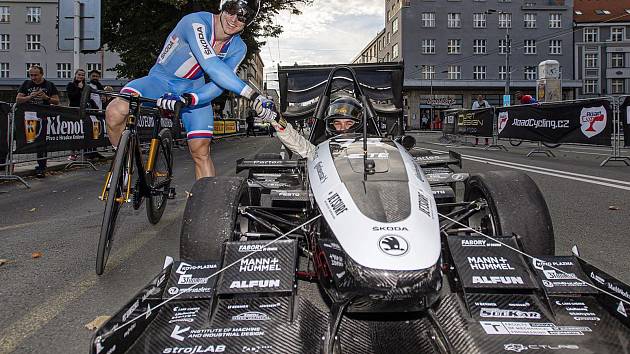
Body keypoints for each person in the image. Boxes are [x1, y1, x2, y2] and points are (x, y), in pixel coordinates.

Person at [105, 0, 273, 180]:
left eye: (242, 17)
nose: (234, 19)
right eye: (231, 10)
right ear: (222, 7)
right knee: (115, 111)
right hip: (159, 80)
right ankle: (124, 158)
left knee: (201, 150)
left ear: (247, 23)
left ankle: (207, 203)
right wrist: (252, 95)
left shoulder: (239, 47)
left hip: (194, 89)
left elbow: (220, 83)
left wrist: (191, 98)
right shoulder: (195, 22)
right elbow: (211, 65)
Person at [261, 96, 363, 159]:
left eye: (349, 123)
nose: (343, 128)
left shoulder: (372, 146)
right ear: (330, 125)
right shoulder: (322, 150)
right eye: (338, 123)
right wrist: (276, 119)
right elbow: (298, 143)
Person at [16, 65, 60, 178]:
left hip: (43, 117)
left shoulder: (49, 85)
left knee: (41, 143)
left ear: (42, 74)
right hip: (27, 117)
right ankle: (11, 163)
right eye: (31, 75)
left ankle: (41, 167)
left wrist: (46, 98)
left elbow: (56, 101)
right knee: (20, 139)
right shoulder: (26, 84)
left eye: (36, 75)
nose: (33, 77)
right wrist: (29, 97)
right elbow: (18, 99)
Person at [66, 69, 87, 161]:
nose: (81, 76)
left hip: (84, 110)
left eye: (82, 75)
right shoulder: (71, 85)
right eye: (79, 74)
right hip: (74, 110)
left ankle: (84, 152)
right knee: (74, 131)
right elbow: (72, 97)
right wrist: (78, 88)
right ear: (75, 75)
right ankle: (72, 153)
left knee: (84, 132)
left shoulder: (86, 86)